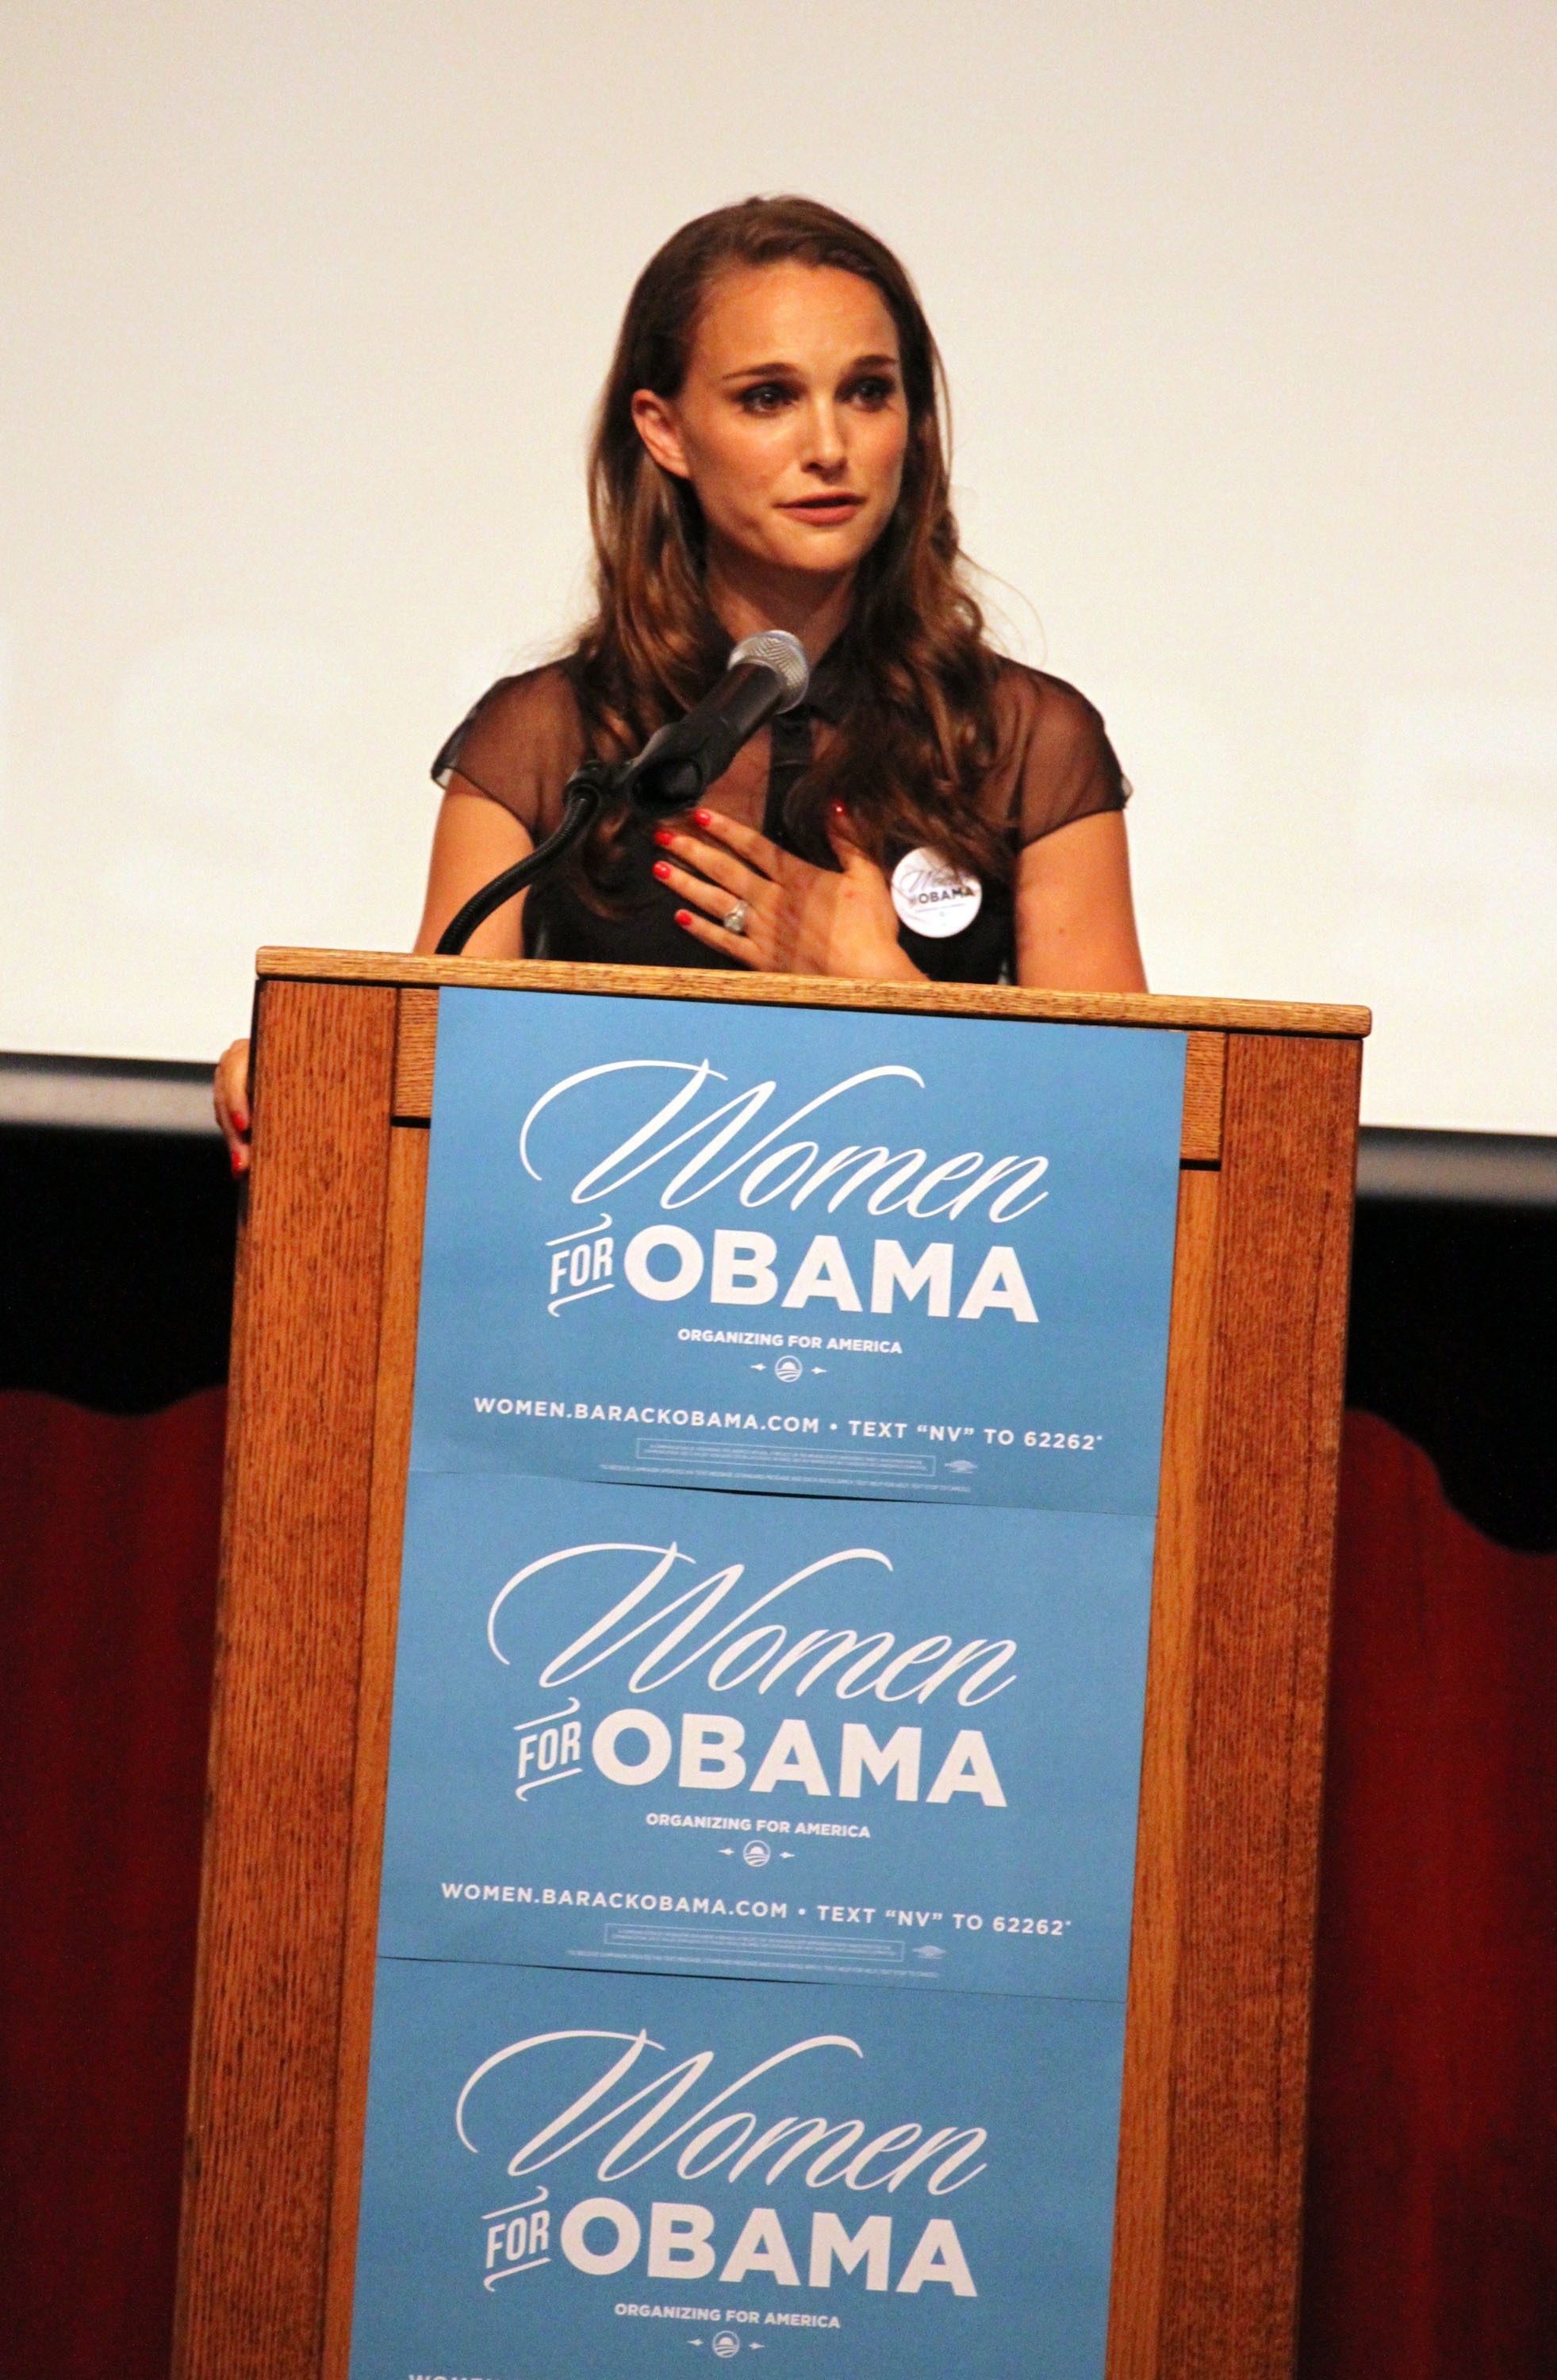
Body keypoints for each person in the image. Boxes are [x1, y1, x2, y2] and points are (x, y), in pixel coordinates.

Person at [215, 194, 1145, 1170]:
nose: (828, 446)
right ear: (664, 431)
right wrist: (310, 1073)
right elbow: (434, 1076)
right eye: (767, 398)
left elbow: (1120, 1132)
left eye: (868, 391)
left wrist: (889, 993)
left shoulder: (1025, 743)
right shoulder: (545, 742)